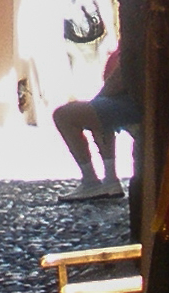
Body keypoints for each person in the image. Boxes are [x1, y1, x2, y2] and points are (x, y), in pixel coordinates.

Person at [53, 31, 141, 197]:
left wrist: (100, 97)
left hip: (128, 102)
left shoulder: (136, 40)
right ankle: (110, 180)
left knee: (63, 116)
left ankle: (90, 180)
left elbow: (121, 77)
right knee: (99, 111)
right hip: (122, 100)